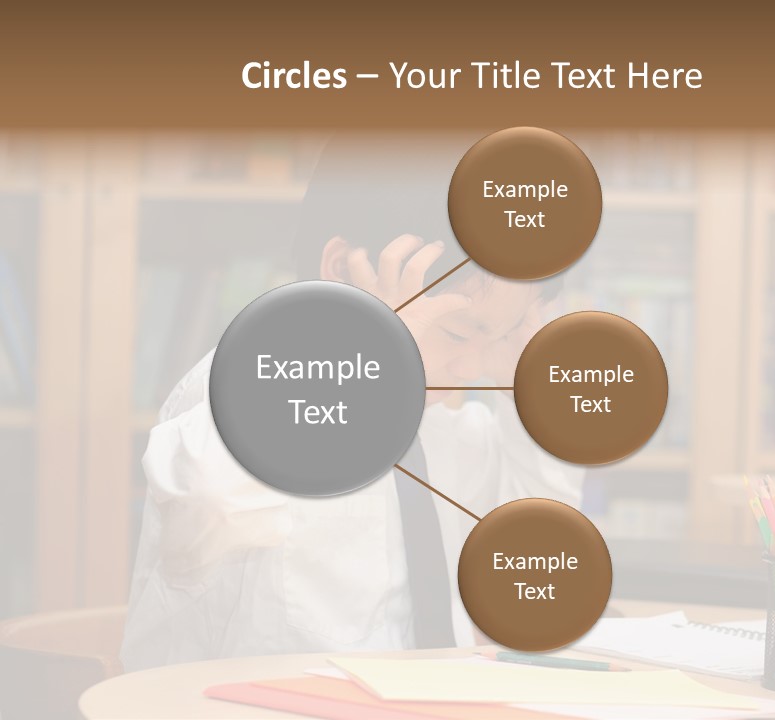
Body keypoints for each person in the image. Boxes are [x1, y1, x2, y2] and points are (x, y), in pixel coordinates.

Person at [120, 135, 583, 671]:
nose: (472, 369)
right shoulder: (240, 392)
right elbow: (208, 516)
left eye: (495, 337)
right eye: (456, 334)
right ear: (341, 273)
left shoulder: (444, 429)